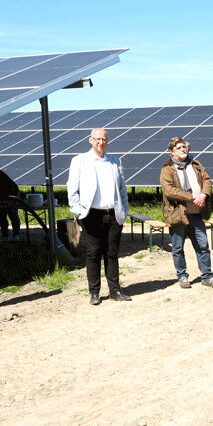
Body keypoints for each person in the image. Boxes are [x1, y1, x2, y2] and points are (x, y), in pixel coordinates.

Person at [67, 128, 131, 305]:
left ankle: (115, 290)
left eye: (104, 139)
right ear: (90, 140)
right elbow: (72, 189)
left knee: (112, 254)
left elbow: (122, 189)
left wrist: (124, 210)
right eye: (97, 139)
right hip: (91, 215)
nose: (100, 142)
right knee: (93, 253)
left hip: (113, 214)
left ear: (107, 141)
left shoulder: (115, 161)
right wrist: (78, 211)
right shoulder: (80, 161)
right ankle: (94, 292)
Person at [160, 137, 213, 289]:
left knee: (202, 245)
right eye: (179, 148)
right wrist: (192, 196)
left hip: (197, 214)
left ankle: (207, 276)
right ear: (171, 151)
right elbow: (169, 191)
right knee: (178, 247)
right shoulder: (167, 168)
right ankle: (182, 276)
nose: (183, 149)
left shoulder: (196, 164)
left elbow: (207, 180)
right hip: (178, 214)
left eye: (184, 147)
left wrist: (204, 195)